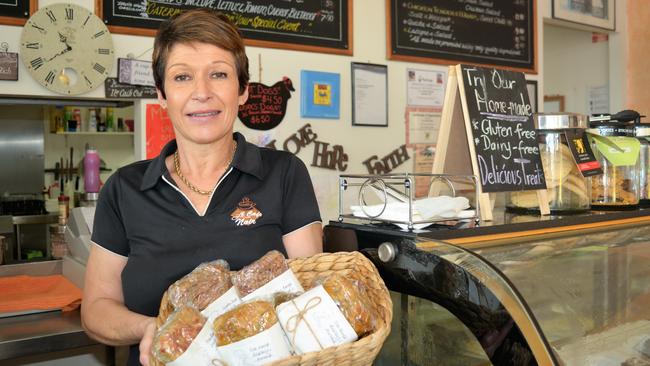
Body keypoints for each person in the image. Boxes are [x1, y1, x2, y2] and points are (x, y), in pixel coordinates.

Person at [81, 9, 323, 366]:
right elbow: (97, 310)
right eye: (182, 77)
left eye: (219, 74)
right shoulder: (124, 189)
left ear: (242, 91)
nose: (202, 92)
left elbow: (310, 296)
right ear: (162, 95)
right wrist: (154, 328)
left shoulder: (284, 174)